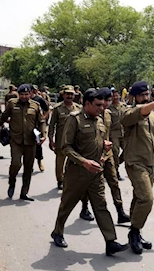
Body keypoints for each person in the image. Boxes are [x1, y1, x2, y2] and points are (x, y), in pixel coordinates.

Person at [50, 89, 129, 256]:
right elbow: (65, 147)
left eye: (103, 104)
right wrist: (84, 162)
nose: (102, 108)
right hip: (77, 171)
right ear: (87, 104)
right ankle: (57, 231)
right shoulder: (74, 119)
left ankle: (110, 241)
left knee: (101, 206)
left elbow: (97, 140)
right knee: (67, 204)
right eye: (98, 105)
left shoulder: (99, 120)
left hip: (96, 173)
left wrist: (104, 146)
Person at [121, 81, 154, 254]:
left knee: (139, 198)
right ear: (134, 97)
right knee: (147, 199)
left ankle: (136, 232)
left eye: (147, 94)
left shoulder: (153, 116)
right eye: (141, 95)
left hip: (150, 164)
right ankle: (134, 231)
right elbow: (138, 113)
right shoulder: (127, 112)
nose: (145, 97)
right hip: (135, 163)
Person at [0, 84, 46, 201]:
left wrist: (43, 135)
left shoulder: (35, 105)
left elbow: (41, 121)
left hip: (30, 141)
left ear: (30, 94)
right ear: (18, 94)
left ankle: (24, 192)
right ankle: (12, 181)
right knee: (16, 163)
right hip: (16, 140)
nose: (24, 96)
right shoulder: (12, 104)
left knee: (28, 167)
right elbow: (2, 117)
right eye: (22, 94)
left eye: (26, 94)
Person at [81, 87, 130, 223]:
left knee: (114, 182)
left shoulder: (107, 113)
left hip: (106, 154)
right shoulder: (86, 114)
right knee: (88, 184)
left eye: (109, 100)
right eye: (105, 100)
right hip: (91, 155)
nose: (107, 103)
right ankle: (84, 208)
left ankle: (120, 211)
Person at [48, 85, 82, 190]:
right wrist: (50, 139)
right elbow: (52, 124)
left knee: (74, 161)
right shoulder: (58, 108)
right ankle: (60, 180)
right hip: (61, 140)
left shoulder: (78, 108)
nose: (69, 96)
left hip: (75, 141)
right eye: (67, 94)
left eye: (71, 94)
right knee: (60, 162)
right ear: (63, 95)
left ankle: (71, 180)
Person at [30, 85, 50, 172]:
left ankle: (39, 161)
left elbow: (47, 109)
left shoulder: (39, 99)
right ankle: (29, 164)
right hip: (27, 126)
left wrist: (43, 118)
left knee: (38, 144)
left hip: (37, 126)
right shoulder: (23, 100)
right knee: (28, 147)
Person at [109, 88, 127, 180]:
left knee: (128, 150)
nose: (115, 97)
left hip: (124, 132)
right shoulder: (108, 108)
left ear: (120, 96)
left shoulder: (124, 106)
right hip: (114, 133)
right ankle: (115, 171)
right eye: (113, 95)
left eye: (117, 95)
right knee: (115, 152)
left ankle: (117, 163)